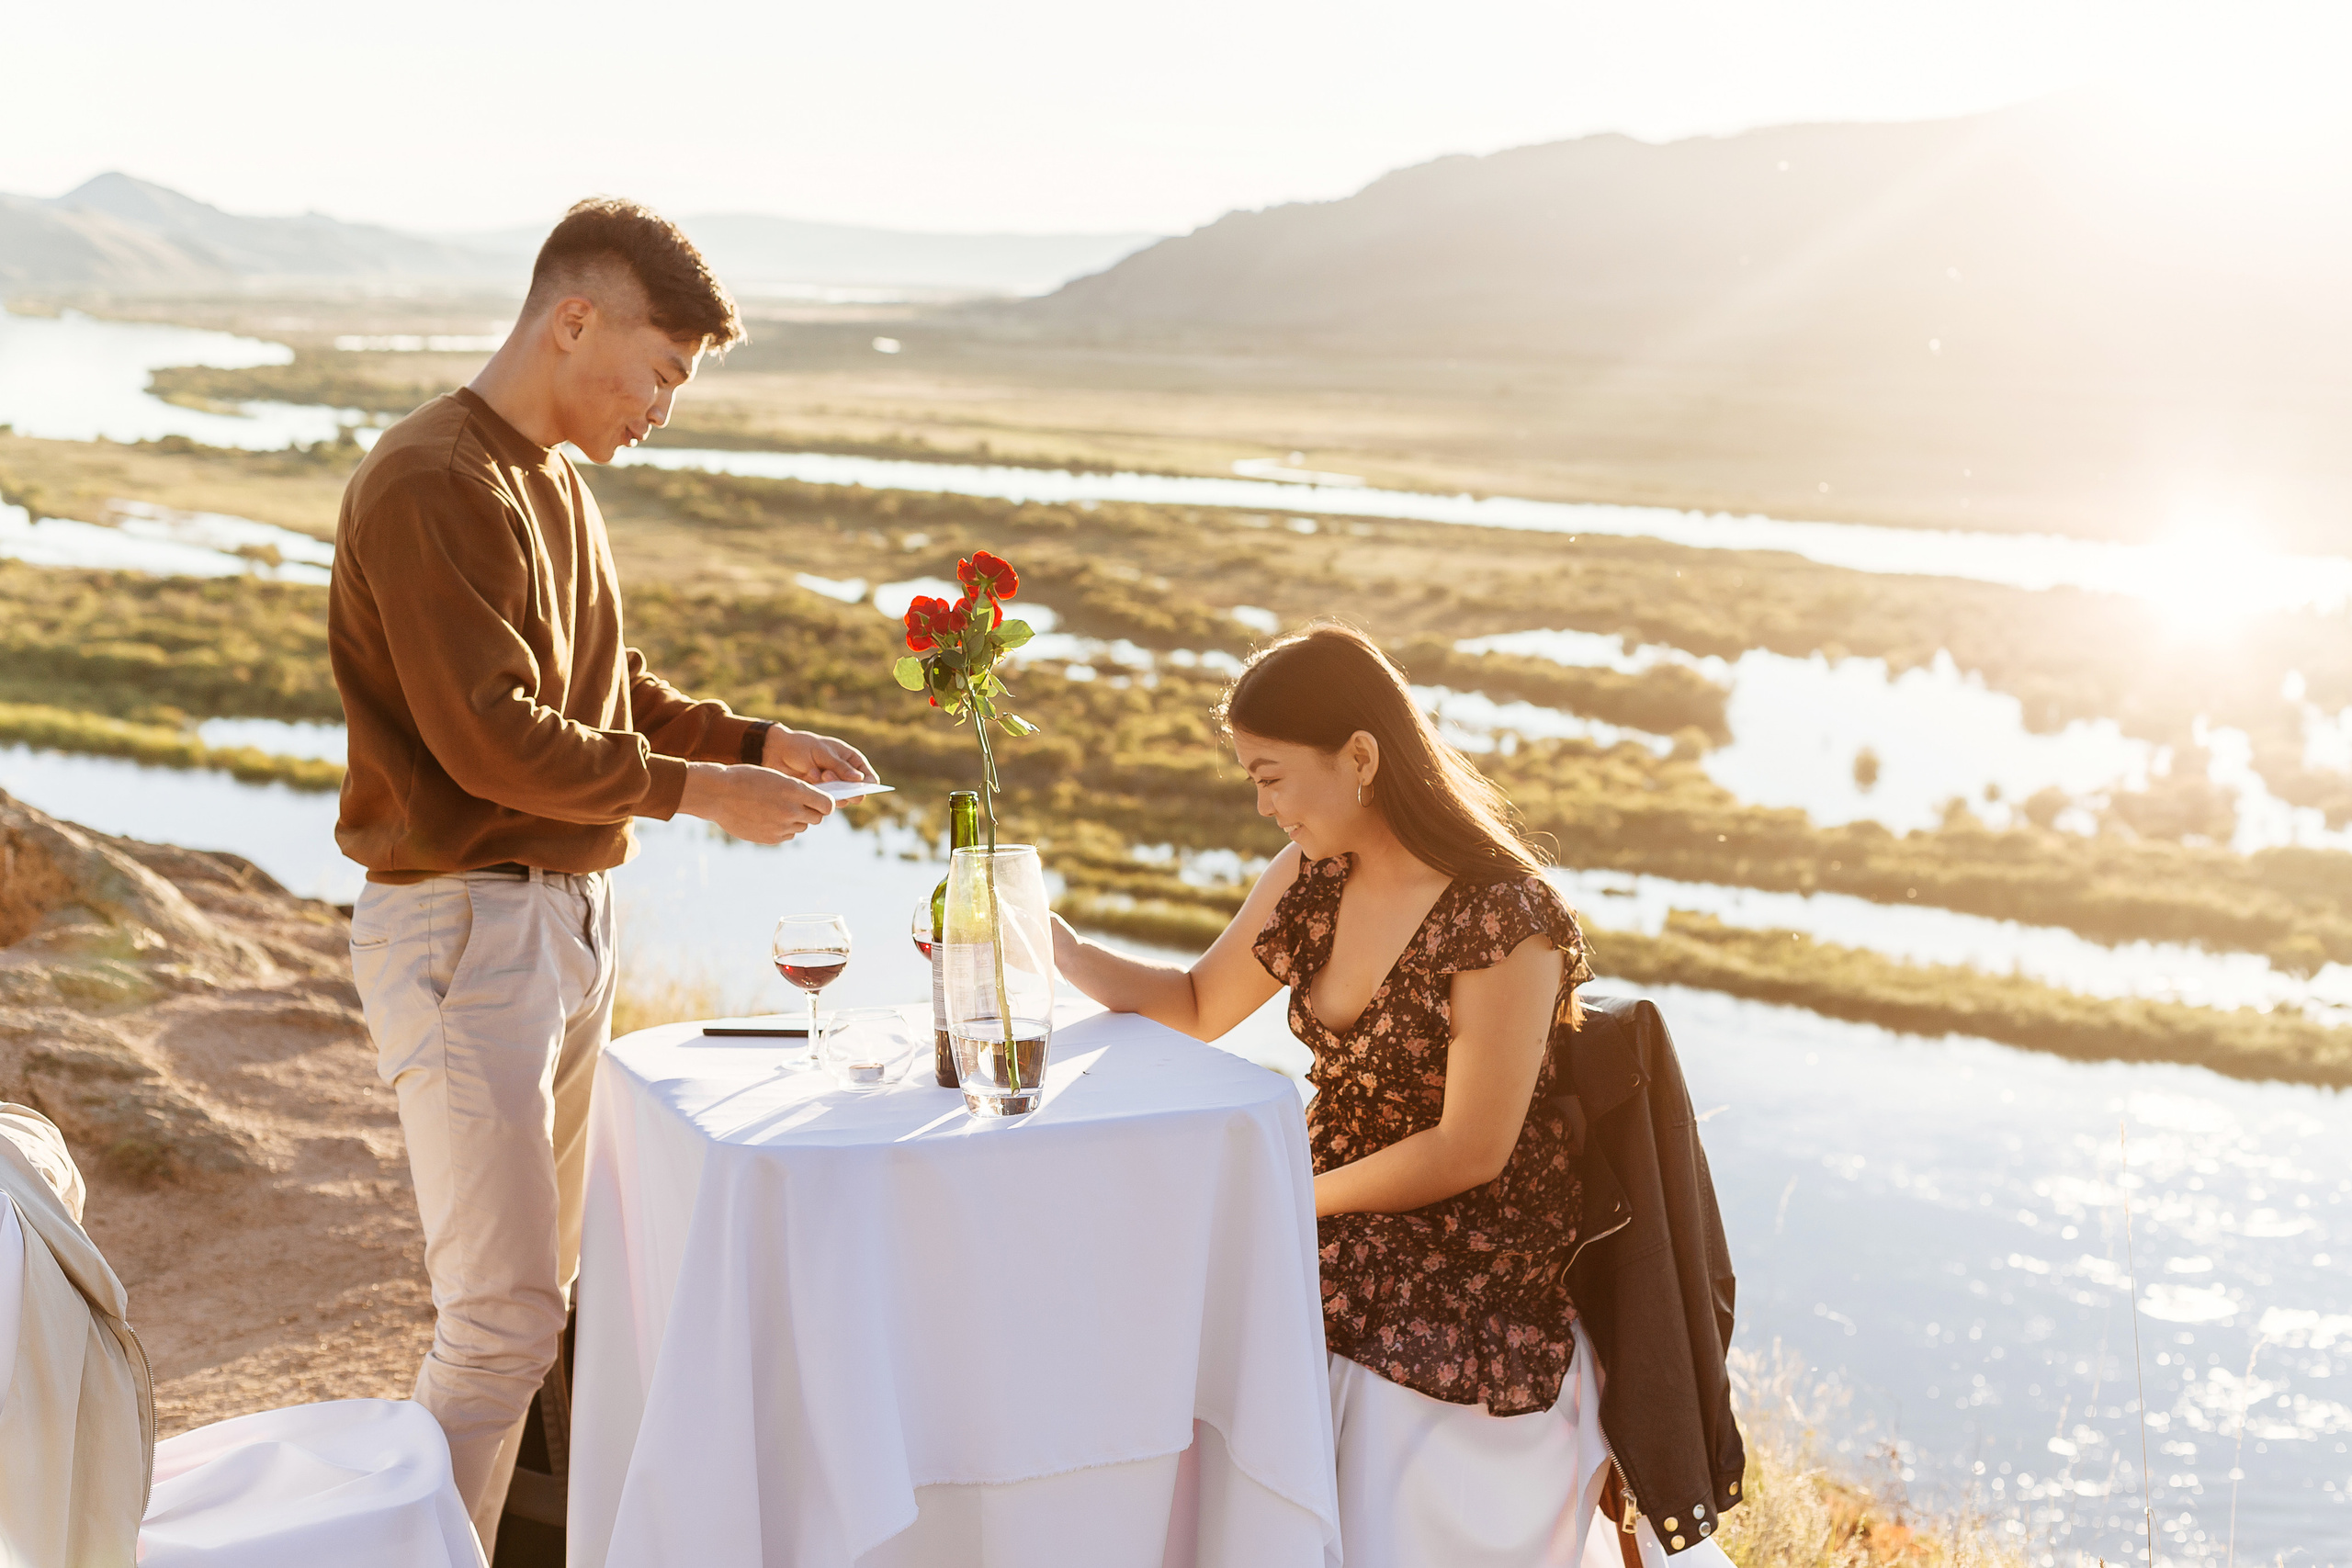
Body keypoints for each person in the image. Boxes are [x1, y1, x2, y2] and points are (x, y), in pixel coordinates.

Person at [328, 197, 876, 1556]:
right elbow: (490, 736)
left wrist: (751, 741)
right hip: (466, 926)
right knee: (500, 1321)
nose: (662, 409)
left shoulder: (553, 480)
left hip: (561, 919)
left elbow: (603, 688)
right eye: (662, 372)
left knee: (545, 1302)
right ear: (575, 320)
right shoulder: (433, 479)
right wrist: (705, 793)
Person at [1053, 621, 1615, 1566]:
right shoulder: (1314, 875)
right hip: (1325, 1187)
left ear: (1359, 757)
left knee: (1245, 1297)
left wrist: (1289, 1198)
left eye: (1271, 776)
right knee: (1138, 1262)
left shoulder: (1505, 913)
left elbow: (1468, 1149)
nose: (1264, 804)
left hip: (1463, 1231)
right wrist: (1056, 945)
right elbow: (1197, 1003)